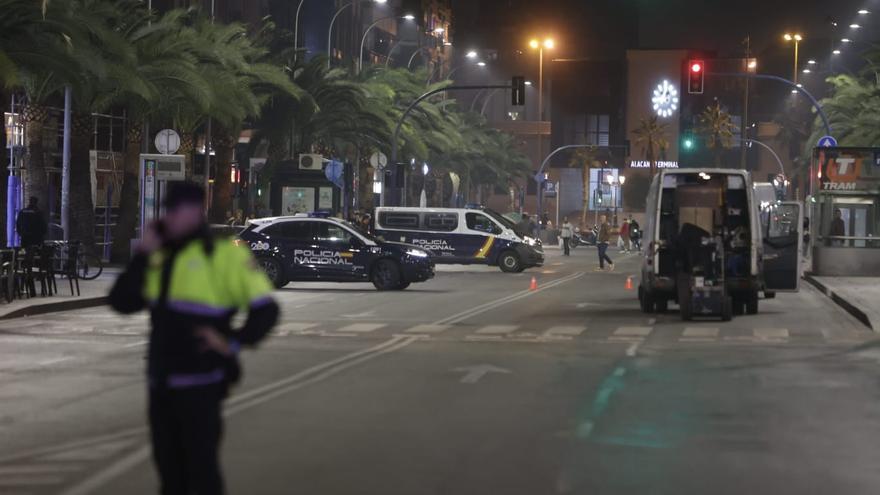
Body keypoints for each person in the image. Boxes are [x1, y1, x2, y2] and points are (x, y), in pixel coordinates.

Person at [109, 183, 279, 495]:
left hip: (202, 382)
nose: (170, 217)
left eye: (176, 211)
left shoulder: (224, 255)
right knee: (170, 475)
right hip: (161, 382)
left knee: (201, 472)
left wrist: (233, 343)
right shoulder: (160, 256)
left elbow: (266, 311)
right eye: (168, 211)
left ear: (194, 212)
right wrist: (143, 254)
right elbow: (122, 301)